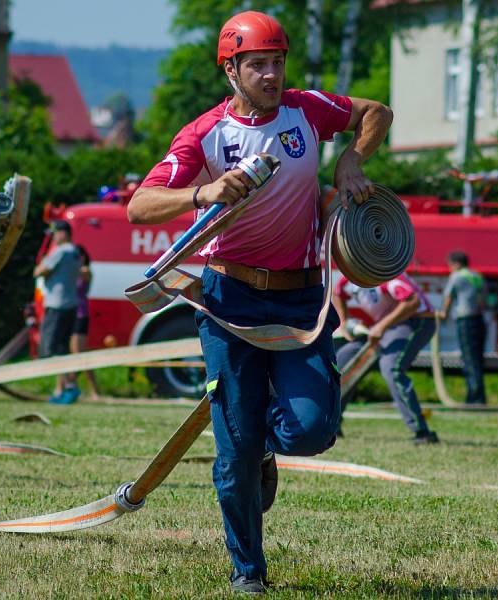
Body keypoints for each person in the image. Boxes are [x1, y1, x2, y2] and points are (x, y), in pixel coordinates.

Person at [126, 10, 393, 594]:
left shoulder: (307, 109)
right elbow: (139, 205)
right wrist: (203, 192)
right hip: (228, 301)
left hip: (301, 300)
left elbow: (376, 112)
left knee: (313, 429)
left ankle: (266, 446)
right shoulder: (204, 134)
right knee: (233, 456)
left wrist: (352, 158)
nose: (271, 75)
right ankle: (248, 570)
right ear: (232, 70)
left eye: (277, 62)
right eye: (258, 65)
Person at [332, 272, 440, 445]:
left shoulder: (383, 271)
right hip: (385, 326)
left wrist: (381, 326)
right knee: (344, 360)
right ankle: (332, 426)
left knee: (391, 368)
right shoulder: (350, 274)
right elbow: (337, 293)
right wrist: (344, 322)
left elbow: (413, 302)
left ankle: (422, 432)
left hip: (415, 321)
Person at [33, 220, 82, 404]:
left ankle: (69, 387)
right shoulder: (76, 252)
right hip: (71, 304)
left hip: (56, 304)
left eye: (55, 233)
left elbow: (39, 271)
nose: (53, 237)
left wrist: (40, 269)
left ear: (63, 233)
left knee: (53, 350)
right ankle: (61, 389)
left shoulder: (60, 252)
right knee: (63, 349)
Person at [438, 250, 487, 404]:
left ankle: (474, 397)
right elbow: (484, 300)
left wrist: (443, 314)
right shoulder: (477, 276)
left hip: (465, 320)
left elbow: (449, 296)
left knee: (469, 360)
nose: (449, 269)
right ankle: (479, 395)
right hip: (479, 320)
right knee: (478, 359)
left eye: (450, 265)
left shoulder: (457, 276)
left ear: (457, 264)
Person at [70, 245, 100, 399]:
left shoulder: (85, 271)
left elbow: (77, 274)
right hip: (70, 314)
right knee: (71, 354)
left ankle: (92, 390)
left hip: (80, 315)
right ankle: (68, 387)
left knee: (79, 355)